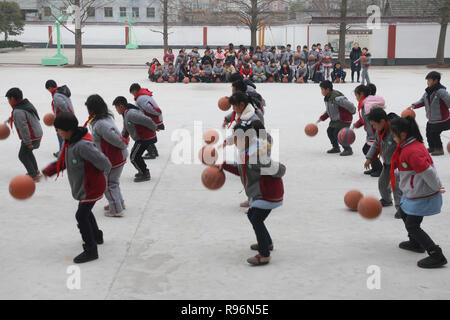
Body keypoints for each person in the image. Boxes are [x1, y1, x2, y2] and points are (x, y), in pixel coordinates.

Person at [220, 99, 285, 266]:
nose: (235, 142)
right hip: (261, 193)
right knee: (254, 217)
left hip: (268, 193)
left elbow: (280, 169)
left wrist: (274, 169)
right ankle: (267, 243)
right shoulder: (246, 152)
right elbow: (243, 171)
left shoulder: (257, 154)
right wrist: (224, 165)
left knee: (255, 218)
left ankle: (264, 254)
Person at [42, 112, 112, 264]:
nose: (57, 132)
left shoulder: (82, 145)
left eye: (58, 130)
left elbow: (105, 163)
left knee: (81, 215)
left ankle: (91, 249)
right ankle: (97, 235)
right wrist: (47, 172)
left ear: (67, 130)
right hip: (85, 187)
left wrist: (94, 174)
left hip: (91, 187)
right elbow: (63, 162)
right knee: (86, 212)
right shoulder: (70, 142)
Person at [389, 116, 447, 269]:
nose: (393, 138)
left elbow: (428, 172)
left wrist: (437, 187)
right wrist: (394, 176)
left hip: (422, 194)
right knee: (403, 213)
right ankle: (416, 242)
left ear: (402, 134)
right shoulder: (408, 146)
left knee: (412, 225)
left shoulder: (412, 151)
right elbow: (405, 167)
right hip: (414, 192)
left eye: (394, 135)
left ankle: (436, 254)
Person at [85, 94, 128, 217]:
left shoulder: (101, 124)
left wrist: (124, 143)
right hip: (115, 156)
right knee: (113, 181)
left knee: (107, 184)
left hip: (114, 157)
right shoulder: (104, 119)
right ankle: (118, 202)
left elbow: (116, 140)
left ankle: (116, 209)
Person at [365, 108, 401, 211]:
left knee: (396, 186)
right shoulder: (380, 131)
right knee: (382, 183)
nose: (373, 127)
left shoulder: (395, 130)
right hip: (387, 163)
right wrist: (369, 157)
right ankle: (386, 200)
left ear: (382, 121)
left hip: (397, 164)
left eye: (374, 124)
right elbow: (376, 143)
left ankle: (401, 208)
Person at [113, 96, 156, 183]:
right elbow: (126, 129)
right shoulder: (126, 113)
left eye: (116, 107)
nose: (116, 110)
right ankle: (143, 171)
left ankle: (145, 173)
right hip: (142, 138)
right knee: (135, 155)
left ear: (121, 106)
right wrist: (121, 140)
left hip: (144, 138)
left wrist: (155, 127)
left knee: (134, 157)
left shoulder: (131, 113)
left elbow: (147, 120)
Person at [5, 88, 43, 181]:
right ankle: (36, 172)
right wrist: (12, 118)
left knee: (22, 155)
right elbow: (26, 116)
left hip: (31, 136)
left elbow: (24, 128)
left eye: (9, 99)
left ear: (13, 99)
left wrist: (28, 142)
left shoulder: (18, 111)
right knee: (28, 153)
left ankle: (33, 175)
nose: (9, 102)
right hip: (37, 133)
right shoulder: (25, 104)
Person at [409, 71, 450, 156]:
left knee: (435, 134)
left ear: (435, 81)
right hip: (431, 119)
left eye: (429, 80)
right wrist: (414, 105)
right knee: (428, 133)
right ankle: (432, 147)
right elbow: (422, 101)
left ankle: (439, 149)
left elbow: (449, 101)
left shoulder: (441, 91)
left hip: (441, 119)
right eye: (427, 80)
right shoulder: (427, 91)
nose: (427, 82)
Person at [317, 81, 356, 156]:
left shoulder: (337, 98)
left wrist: (353, 111)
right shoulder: (328, 98)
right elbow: (329, 110)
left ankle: (348, 149)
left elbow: (350, 105)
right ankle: (336, 147)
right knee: (330, 131)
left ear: (327, 89)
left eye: (322, 89)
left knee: (338, 134)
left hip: (343, 119)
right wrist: (322, 118)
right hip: (335, 119)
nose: (321, 91)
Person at [352, 84, 384, 177]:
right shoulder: (364, 104)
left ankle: (379, 169)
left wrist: (376, 134)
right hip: (371, 134)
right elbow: (365, 119)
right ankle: (375, 168)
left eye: (356, 96)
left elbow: (373, 119)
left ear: (361, 94)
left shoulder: (368, 106)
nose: (356, 98)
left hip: (375, 134)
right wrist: (357, 124)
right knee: (367, 149)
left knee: (368, 149)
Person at [129, 83, 164, 160]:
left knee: (145, 134)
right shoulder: (143, 96)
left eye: (132, 93)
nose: (133, 95)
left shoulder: (140, 98)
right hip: (153, 118)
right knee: (148, 134)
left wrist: (157, 113)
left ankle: (152, 153)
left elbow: (150, 108)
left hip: (154, 119)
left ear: (135, 91)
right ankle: (154, 151)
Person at [45, 80, 75, 158]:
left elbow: (63, 106)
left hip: (64, 118)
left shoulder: (56, 96)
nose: (48, 91)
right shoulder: (61, 92)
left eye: (48, 89)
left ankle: (62, 153)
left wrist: (66, 118)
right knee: (63, 135)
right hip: (67, 117)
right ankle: (63, 151)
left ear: (50, 88)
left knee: (61, 135)